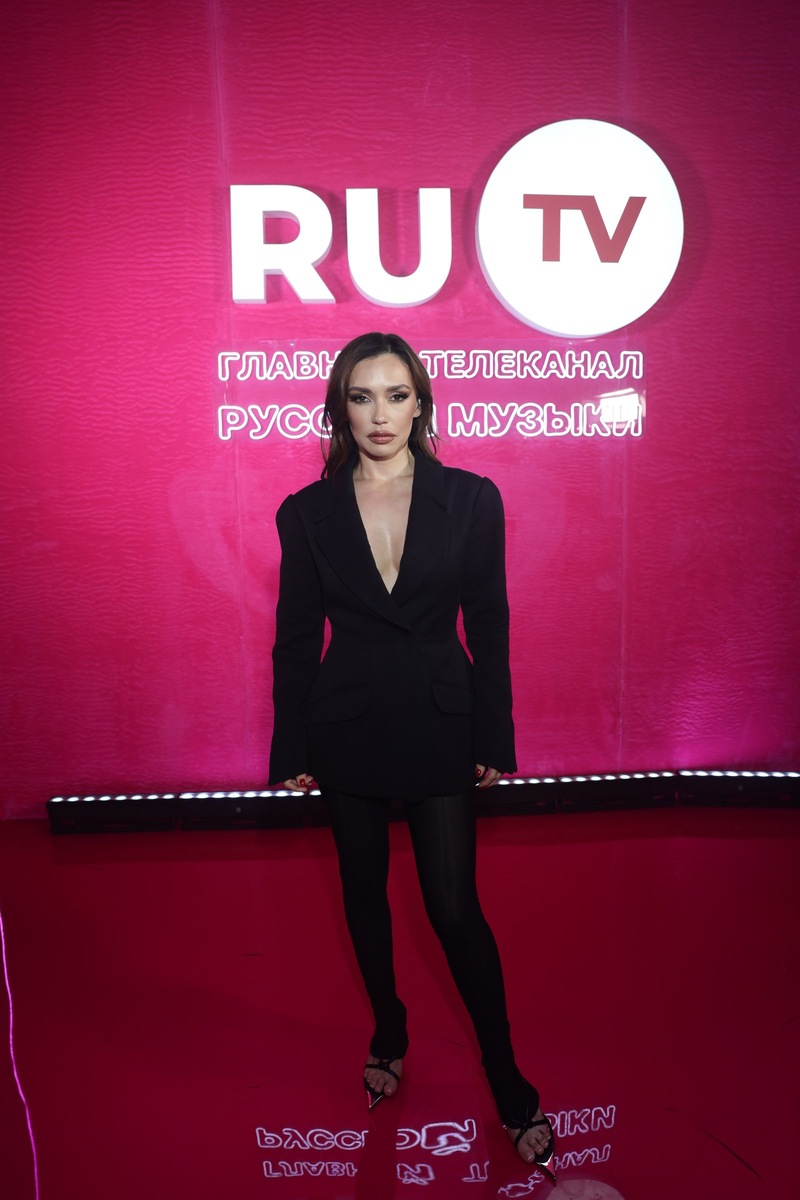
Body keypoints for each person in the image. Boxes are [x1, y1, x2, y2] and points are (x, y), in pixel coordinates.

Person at [268, 332, 555, 1181]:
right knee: (363, 896)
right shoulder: (305, 512)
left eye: (395, 395)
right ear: (340, 409)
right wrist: (291, 743)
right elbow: (295, 639)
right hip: (347, 724)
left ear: (421, 403)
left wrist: (494, 735)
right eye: (361, 397)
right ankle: (389, 1031)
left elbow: (490, 622)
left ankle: (506, 1077)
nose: (379, 414)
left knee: (453, 908)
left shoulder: (471, 499)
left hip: (439, 720)